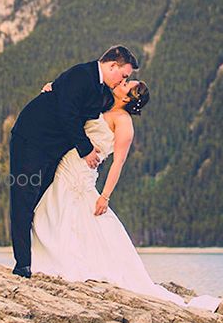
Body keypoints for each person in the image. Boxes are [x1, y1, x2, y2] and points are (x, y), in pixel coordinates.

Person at [30, 76, 220, 312]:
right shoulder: (102, 102)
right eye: (125, 81)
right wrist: (52, 91)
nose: (123, 82)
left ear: (129, 98)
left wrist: (105, 196)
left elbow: (118, 163)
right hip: (66, 165)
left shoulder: (124, 123)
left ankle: (67, 265)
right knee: (50, 214)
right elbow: (71, 110)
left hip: (82, 174)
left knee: (77, 216)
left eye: (127, 85)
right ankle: (50, 261)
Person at [9, 45, 138, 278]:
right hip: (31, 140)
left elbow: (87, 111)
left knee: (41, 202)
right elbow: (66, 114)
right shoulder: (82, 74)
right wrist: (87, 149)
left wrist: (53, 87)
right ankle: (23, 265)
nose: (123, 80)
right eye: (124, 75)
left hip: (55, 151)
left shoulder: (104, 91)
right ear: (112, 66)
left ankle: (40, 260)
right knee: (23, 198)